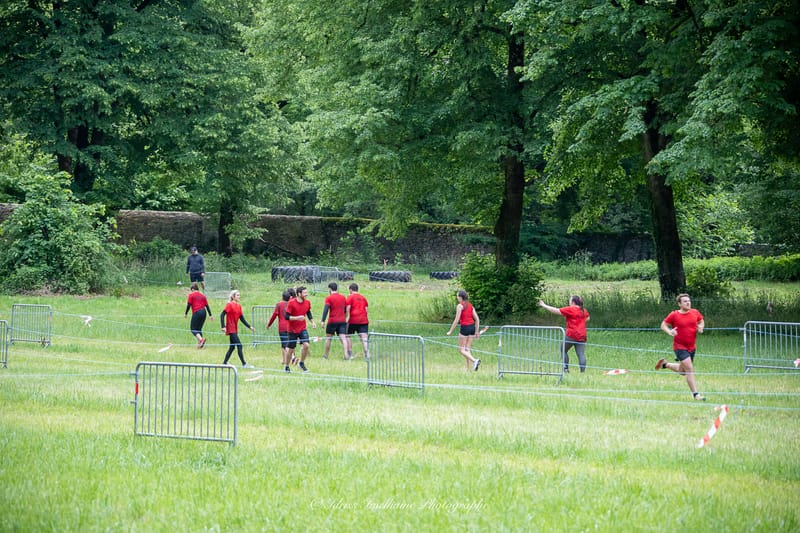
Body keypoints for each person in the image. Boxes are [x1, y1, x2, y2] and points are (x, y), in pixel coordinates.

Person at [656, 293, 706, 401]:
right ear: (679, 304)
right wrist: (669, 331)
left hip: (692, 347)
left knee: (682, 371)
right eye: (685, 301)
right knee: (689, 369)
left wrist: (701, 327)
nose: (688, 302)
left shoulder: (695, 312)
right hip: (679, 346)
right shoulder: (674, 315)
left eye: (689, 300)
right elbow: (663, 325)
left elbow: (701, 321)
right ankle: (696, 394)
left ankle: (665, 364)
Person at [538, 295, 590, 373]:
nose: (569, 302)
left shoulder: (570, 309)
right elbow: (588, 318)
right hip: (582, 335)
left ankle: (565, 369)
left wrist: (544, 305)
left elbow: (556, 310)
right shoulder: (583, 310)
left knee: (563, 350)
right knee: (581, 354)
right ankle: (582, 372)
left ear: (573, 302)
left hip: (571, 335)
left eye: (570, 301)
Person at [446, 289, 481, 371]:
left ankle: (474, 361)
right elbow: (477, 319)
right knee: (467, 349)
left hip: (465, 328)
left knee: (461, 350)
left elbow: (456, 320)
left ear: (460, 297)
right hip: (472, 327)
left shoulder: (460, 306)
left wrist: (450, 331)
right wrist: (476, 331)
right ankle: (468, 369)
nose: (457, 297)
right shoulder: (470, 305)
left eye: (457, 296)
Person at [219, 290, 255, 368]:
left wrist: (249, 327)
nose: (239, 296)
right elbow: (222, 315)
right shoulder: (229, 305)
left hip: (235, 329)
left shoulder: (239, 306)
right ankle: (244, 364)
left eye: (239, 295)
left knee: (232, 347)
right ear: (233, 297)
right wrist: (223, 326)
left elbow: (241, 318)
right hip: (231, 329)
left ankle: (224, 363)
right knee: (239, 345)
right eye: (237, 295)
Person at [285, 285, 316, 373]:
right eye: (305, 293)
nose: (306, 294)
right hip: (292, 330)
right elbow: (286, 317)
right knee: (291, 349)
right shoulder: (291, 303)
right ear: (299, 294)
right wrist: (297, 318)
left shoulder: (307, 302)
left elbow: (308, 312)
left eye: (307, 292)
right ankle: (287, 366)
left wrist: (312, 322)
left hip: (302, 328)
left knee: (306, 345)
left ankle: (301, 363)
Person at [267, 288, 296, 373]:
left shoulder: (279, 304)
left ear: (282, 297)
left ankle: (293, 358)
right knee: (288, 344)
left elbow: (274, 315)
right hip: (291, 327)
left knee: (285, 345)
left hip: (282, 328)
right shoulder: (291, 304)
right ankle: (284, 360)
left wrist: (269, 324)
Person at [321, 282, 350, 360]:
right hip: (342, 320)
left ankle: (325, 356)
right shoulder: (343, 297)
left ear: (330, 289)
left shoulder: (329, 298)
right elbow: (345, 309)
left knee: (328, 338)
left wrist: (323, 320)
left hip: (332, 321)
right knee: (343, 338)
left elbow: (326, 309)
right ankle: (346, 354)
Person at [345, 283, 370, 360]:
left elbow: (347, 309)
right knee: (364, 337)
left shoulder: (350, 297)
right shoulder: (363, 298)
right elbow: (366, 310)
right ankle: (367, 354)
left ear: (351, 290)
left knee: (347, 336)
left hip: (353, 320)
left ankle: (350, 354)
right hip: (364, 320)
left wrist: (345, 318)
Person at [184, 282, 212, 348]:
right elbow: (207, 306)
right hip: (204, 312)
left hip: (197, 312)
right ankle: (200, 345)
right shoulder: (203, 295)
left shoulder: (191, 295)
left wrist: (186, 313)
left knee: (193, 329)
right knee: (199, 329)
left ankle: (201, 340)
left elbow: (188, 305)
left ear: (193, 289)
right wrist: (210, 315)